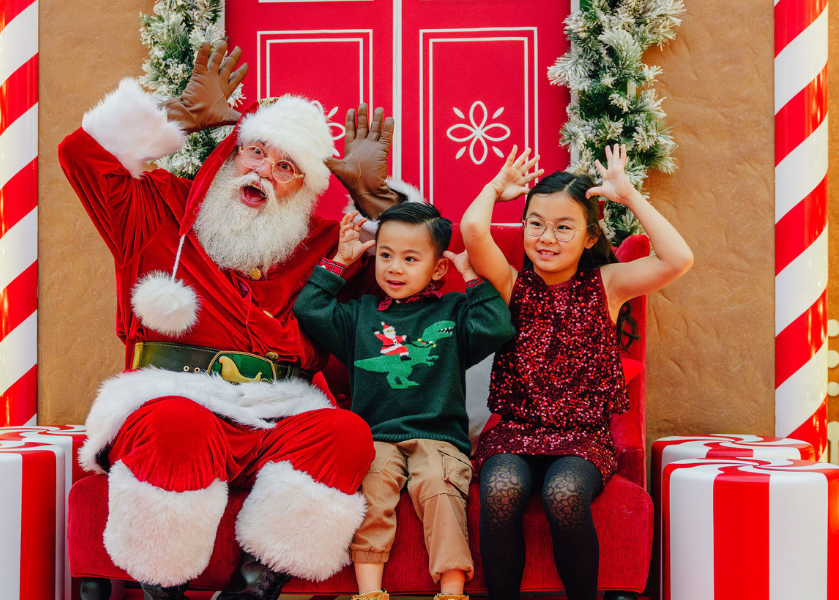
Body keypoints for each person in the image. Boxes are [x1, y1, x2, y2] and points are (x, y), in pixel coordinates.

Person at [58, 40, 418, 600]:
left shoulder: (326, 243)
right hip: (173, 402)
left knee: (345, 433)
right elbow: (80, 156)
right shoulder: (157, 208)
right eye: (257, 154)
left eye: (286, 167)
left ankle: (254, 587)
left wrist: (378, 204)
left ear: (306, 191)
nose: (265, 172)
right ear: (231, 154)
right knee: (180, 424)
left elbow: (424, 280)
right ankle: (163, 585)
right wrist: (172, 116)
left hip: (277, 414)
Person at [460, 144, 693, 600]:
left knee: (564, 494)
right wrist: (495, 188)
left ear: (589, 237)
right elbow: (472, 228)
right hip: (517, 431)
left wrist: (629, 197)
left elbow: (677, 259)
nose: (547, 238)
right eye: (536, 224)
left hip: (582, 437)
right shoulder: (512, 284)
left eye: (564, 227)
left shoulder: (607, 285)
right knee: (502, 490)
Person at [294, 203, 515, 600]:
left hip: (439, 438)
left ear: (437, 268)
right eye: (385, 255)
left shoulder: (453, 312)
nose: (394, 268)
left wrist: (471, 277)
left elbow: (498, 326)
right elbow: (310, 309)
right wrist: (340, 261)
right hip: (376, 436)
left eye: (410, 258)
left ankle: (451, 592)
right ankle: (369, 594)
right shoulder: (359, 315)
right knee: (373, 490)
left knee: (439, 485)